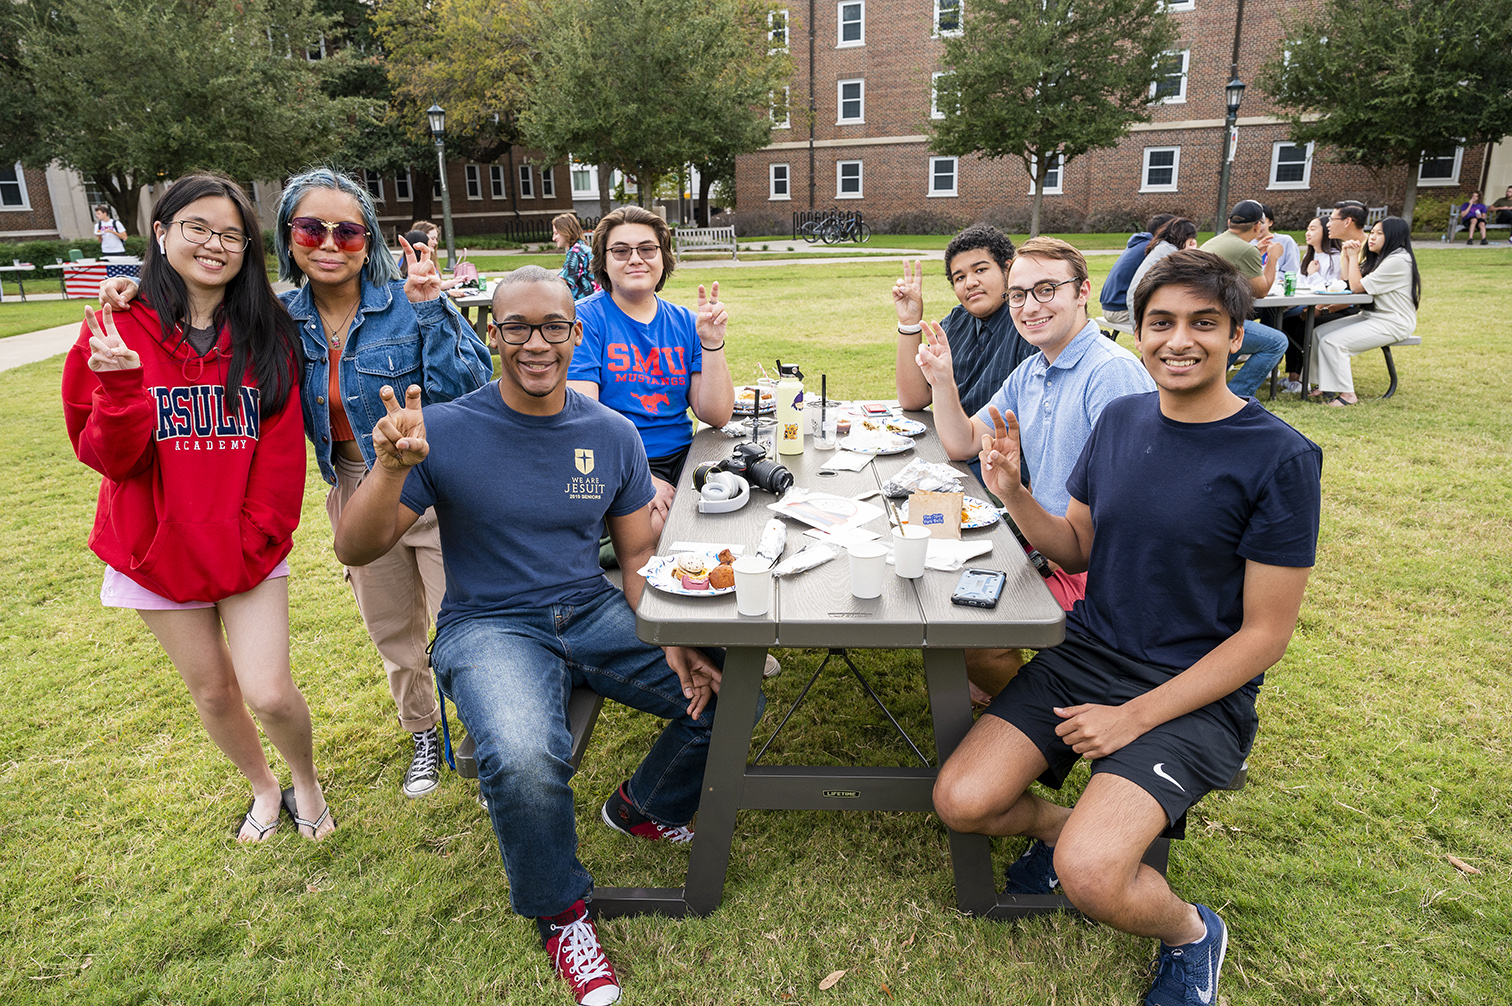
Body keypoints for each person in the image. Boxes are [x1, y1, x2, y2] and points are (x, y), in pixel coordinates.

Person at [934, 248, 1321, 1006]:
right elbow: (1077, 545)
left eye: (1203, 323)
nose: (1180, 340)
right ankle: (1069, 824)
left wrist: (1132, 719)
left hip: (1192, 692)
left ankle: (1191, 933)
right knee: (963, 802)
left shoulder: (1280, 457)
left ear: (1237, 335)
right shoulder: (1119, 419)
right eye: (1161, 323)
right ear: (1138, 334)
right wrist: (1013, 493)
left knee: (1091, 877)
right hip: (1089, 655)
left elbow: (1264, 637)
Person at [333, 266, 726, 1006]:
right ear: (494, 334)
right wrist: (386, 470)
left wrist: (667, 632)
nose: (536, 343)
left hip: (589, 607)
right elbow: (355, 549)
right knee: (519, 756)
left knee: (727, 683)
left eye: (554, 327)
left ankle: (643, 806)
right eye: (518, 327)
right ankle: (561, 914)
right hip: (489, 623)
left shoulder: (613, 435)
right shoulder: (442, 429)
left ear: (578, 336)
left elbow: (637, 557)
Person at [103, 169, 494, 801]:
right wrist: (138, 290)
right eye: (312, 228)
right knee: (393, 630)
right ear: (290, 237)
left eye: (349, 231)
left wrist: (434, 311)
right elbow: (193, 303)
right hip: (356, 484)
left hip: (437, 478)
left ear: (370, 240)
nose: (330, 243)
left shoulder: (410, 299)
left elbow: (477, 391)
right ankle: (424, 733)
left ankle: (484, 734)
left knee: (466, 623)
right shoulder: (275, 318)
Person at [63, 174, 336, 842]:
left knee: (268, 690)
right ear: (161, 234)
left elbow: (278, 460)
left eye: (232, 235)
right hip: (154, 548)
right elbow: (107, 459)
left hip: (244, 545)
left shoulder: (267, 333)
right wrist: (122, 388)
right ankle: (264, 789)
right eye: (198, 228)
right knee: (214, 691)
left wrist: (252, 538)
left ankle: (304, 779)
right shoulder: (114, 324)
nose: (214, 245)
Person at [918, 237, 1155, 697]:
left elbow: (1121, 526)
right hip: (1039, 535)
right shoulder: (1033, 370)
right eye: (1019, 295)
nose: (1029, 307)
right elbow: (963, 441)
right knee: (921, 528)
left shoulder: (1110, 375)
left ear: (1082, 291)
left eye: (1047, 290)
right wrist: (943, 381)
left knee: (965, 625)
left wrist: (1016, 504)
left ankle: (1023, 707)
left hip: (1092, 566)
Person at [567, 205, 734, 536]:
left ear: (663, 257)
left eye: (647, 249)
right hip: (617, 461)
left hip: (686, 456)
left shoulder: (686, 322)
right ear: (603, 261)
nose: (635, 258)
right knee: (661, 527)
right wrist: (641, 477)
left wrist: (712, 343)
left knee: (736, 510)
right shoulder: (585, 321)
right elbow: (586, 421)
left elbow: (715, 415)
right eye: (620, 250)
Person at [894, 223, 1036, 417]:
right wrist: (909, 323)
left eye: (980, 270)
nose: (970, 283)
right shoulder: (955, 323)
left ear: (1007, 269)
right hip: (954, 442)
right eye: (959, 278)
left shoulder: (1029, 324)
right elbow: (913, 400)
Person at [1308, 216, 1421, 406]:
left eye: (1379, 234)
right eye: (1373, 233)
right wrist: (1347, 254)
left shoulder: (1399, 260)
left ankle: (1347, 395)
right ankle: (1322, 385)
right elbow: (1347, 283)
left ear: (1393, 236)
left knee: (1334, 342)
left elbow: (1357, 288)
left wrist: (1353, 256)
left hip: (1393, 321)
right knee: (1318, 333)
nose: (1372, 238)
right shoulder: (1381, 258)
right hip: (1371, 316)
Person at [1198, 200, 1289, 398]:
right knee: (1277, 342)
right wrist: (1272, 258)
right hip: (1217, 321)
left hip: (1203, 314)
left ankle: (1212, 388)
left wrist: (1257, 252)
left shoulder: (1217, 241)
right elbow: (1262, 290)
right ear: (1258, 226)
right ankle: (1237, 396)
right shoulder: (1245, 249)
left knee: (1241, 333)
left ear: (1230, 221)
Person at [1278, 217, 1342, 392]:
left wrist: (1313, 275)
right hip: (1306, 305)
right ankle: (1293, 377)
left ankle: (1300, 380)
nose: (1308, 233)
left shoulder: (1335, 258)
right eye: (1307, 228)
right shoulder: (1309, 255)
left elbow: (1332, 290)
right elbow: (1300, 283)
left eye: (1313, 229)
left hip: (1327, 309)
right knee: (1287, 323)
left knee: (1300, 327)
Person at [1097, 214, 1174, 327]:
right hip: (1120, 310)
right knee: (1173, 319)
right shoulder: (1153, 249)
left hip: (1110, 306)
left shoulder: (1140, 243)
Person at [1126, 217, 1198, 301]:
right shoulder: (1169, 251)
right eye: (1191, 239)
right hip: (1140, 302)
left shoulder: (1162, 247)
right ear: (1184, 237)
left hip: (1138, 300)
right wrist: (1191, 251)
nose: (1193, 241)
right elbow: (1191, 275)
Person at [553, 212, 596, 300]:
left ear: (566, 231)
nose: (553, 238)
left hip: (582, 305)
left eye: (556, 233)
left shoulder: (576, 252)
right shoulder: (583, 248)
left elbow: (562, 282)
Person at [1254, 204, 1300, 276]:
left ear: (1270, 223)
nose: (1257, 227)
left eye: (1262, 222)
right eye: (1254, 222)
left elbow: (1291, 270)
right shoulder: (1245, 242)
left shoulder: (1286, 241)